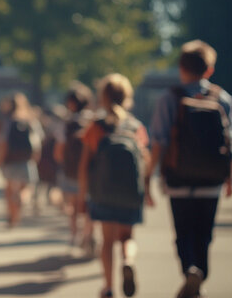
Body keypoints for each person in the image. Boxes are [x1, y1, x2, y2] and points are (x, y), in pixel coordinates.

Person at [146, 40, 232, 298]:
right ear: (209, 70)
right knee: (205, 233)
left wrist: (149, 176)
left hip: (178, 179)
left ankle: (189, 270)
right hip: (212, 181)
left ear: (180, 68)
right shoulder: (223, 99)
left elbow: (159, 142)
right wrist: (230, 178)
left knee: (183, 232)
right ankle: (201, 276)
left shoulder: (170, 99)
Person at [78, 73, 151, 298]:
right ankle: (128, 261)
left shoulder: (96, 126)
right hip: (130, 193)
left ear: (103, 97)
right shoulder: (136, 126)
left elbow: (84, 165)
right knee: (127, 237)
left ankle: (109, 288)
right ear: (127, 96)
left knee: (107, 241)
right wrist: (146, 191)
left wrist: (83, 196)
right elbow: (145, 163)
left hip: (103, 193)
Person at [54, 81, 96, 253]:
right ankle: (88, 235)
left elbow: (59, 150)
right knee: (88, 207)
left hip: (71, 171)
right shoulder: (93, 121)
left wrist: (62, 162)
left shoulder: (67, 123)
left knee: (73, 208)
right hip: (90, 171)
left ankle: (74, 235)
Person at [0, 92, 43, 228]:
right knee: (26, 187)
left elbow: (3, 143)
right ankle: (22, 198)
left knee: (9, 189)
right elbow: (38, 141)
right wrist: (35, 157)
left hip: (10, 160)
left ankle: (12, 216)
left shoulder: (8, 122)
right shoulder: (30, 120)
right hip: (26, 160)